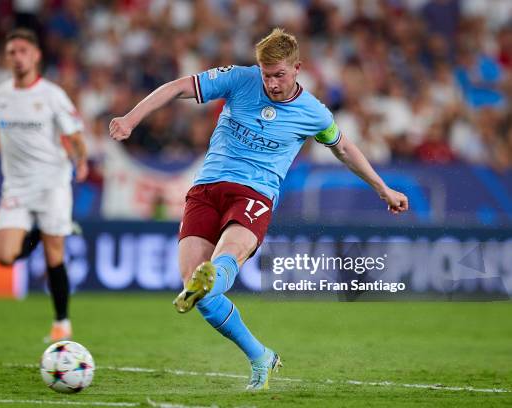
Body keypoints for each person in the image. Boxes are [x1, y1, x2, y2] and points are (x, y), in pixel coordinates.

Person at [109, 28, 409, 391]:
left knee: (227, 256)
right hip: (206, 188)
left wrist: (383, 188)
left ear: (297, 68)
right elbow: (176, 87)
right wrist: (130, 118)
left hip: (255, 194)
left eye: (279, 75)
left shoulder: (313, 112)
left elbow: (344, 149)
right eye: (266, 74)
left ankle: (210, 280)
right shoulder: (239, 79)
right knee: (197, 289)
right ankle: (260, 356)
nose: (271, 83)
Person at [0, 28, 87, 343]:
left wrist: (80, 162)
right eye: (12, 52)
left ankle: (62, 323)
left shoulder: (52, 95)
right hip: (16, 186)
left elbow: (75, 134)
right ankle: (40, 232)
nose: (17, 57)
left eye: (23, 51)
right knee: (4, 255)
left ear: (36, 55)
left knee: (55, 252)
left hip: (52, 182)